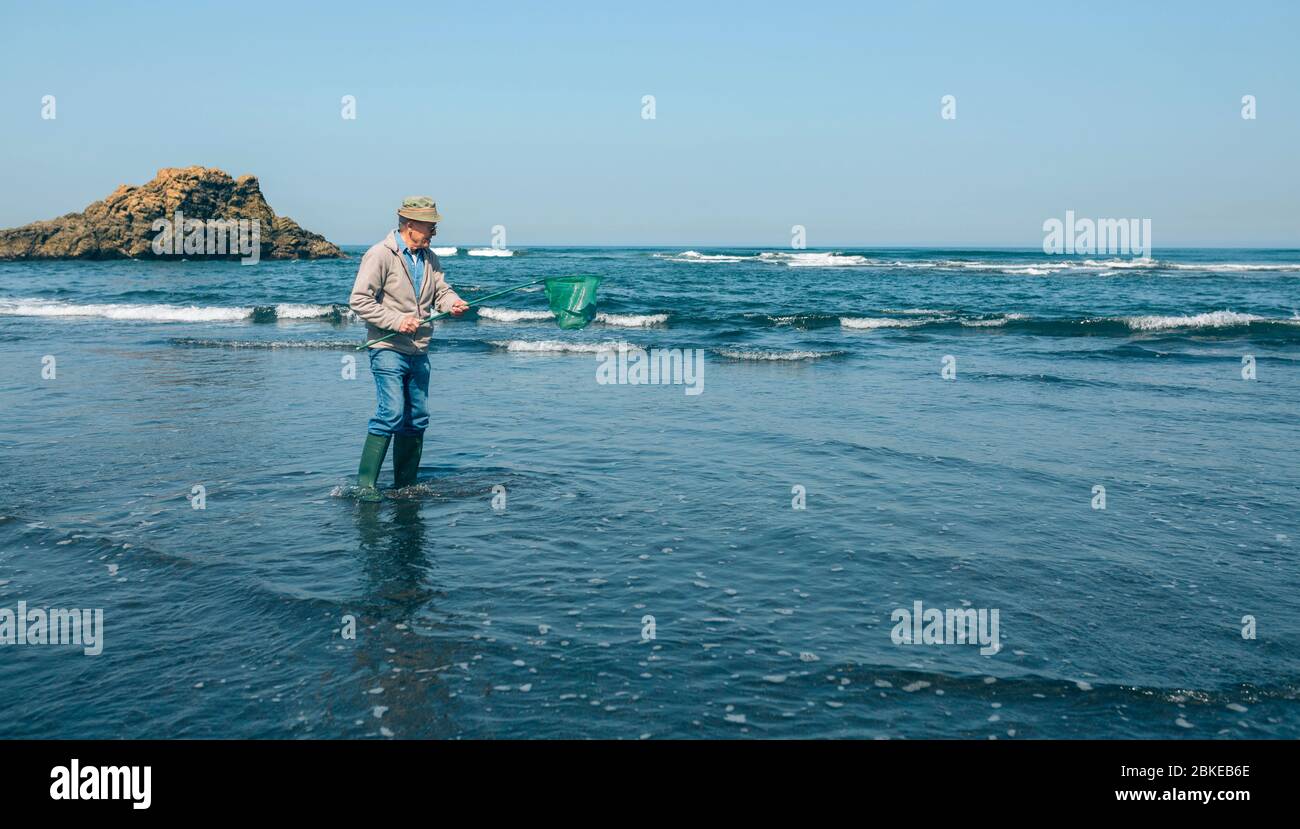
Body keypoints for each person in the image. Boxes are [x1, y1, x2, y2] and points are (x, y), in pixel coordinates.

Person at [348, 196, 468, 499]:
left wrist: (453, 303)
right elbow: (359, 300)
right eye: (430, 226)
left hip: (420, 349)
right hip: (387, 346)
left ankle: (404, 486)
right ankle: (365, 487)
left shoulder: (430, 258)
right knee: (391, 412)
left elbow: (442, 290)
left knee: (417, 418)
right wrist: (396, 321)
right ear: (410, 224)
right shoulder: (380, 254)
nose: (433, 233)